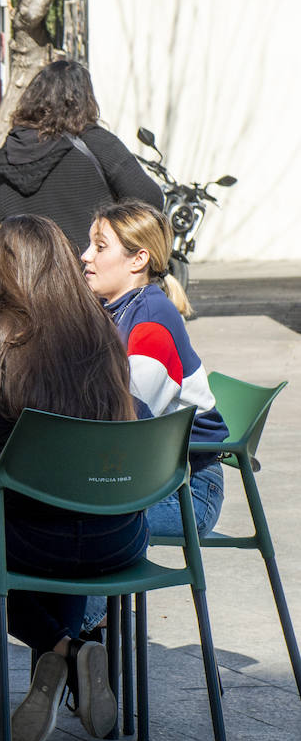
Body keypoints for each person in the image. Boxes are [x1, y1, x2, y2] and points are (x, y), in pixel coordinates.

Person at [0, 214, 142, 741]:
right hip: (118, 536)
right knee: (56, 530)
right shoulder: (99, 322)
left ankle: (64, 649)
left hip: (29, 531)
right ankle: (75, 654)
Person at [79, 201, 229, 629]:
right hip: (144, 479)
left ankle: (81, 636)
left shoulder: (150, 323)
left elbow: (127, 424)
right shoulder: (114, 311)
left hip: (186, 491)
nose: (85, 256)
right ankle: (70, 643)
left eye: (99, 246)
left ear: (138, 259)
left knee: (73, 517)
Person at [0, 59, 164, 248]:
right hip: (87, 270)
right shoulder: (98, 143)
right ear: (85, 99)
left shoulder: (12, 148)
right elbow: (150, 200)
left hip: (25, 271)